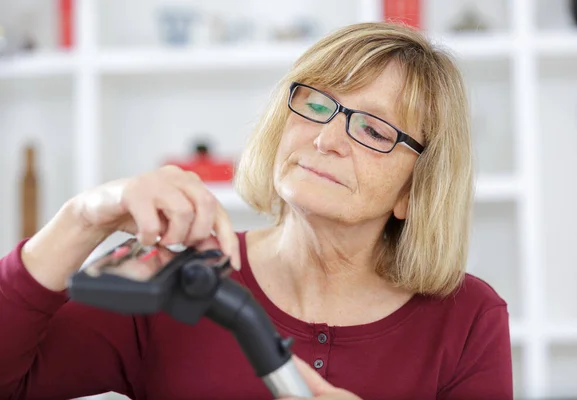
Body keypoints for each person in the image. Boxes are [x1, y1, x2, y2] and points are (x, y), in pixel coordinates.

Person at [0, 22, 513, 400]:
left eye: (375, 130)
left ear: (413, 190)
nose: (327, 138)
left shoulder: (468, 319)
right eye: (317, 104)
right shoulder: (180, 285)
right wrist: (85, 217)